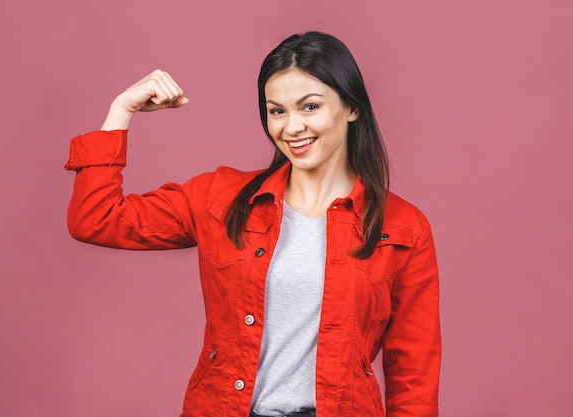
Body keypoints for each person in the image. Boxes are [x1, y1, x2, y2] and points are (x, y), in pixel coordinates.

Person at [65, 31, 440, 417]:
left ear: (351, 107)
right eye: (277, 111)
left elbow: (414, 373)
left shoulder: (403, 228)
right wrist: (120, 111)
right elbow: (96, 219)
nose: (291, 128)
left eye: (309, 107)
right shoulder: (221, 198)